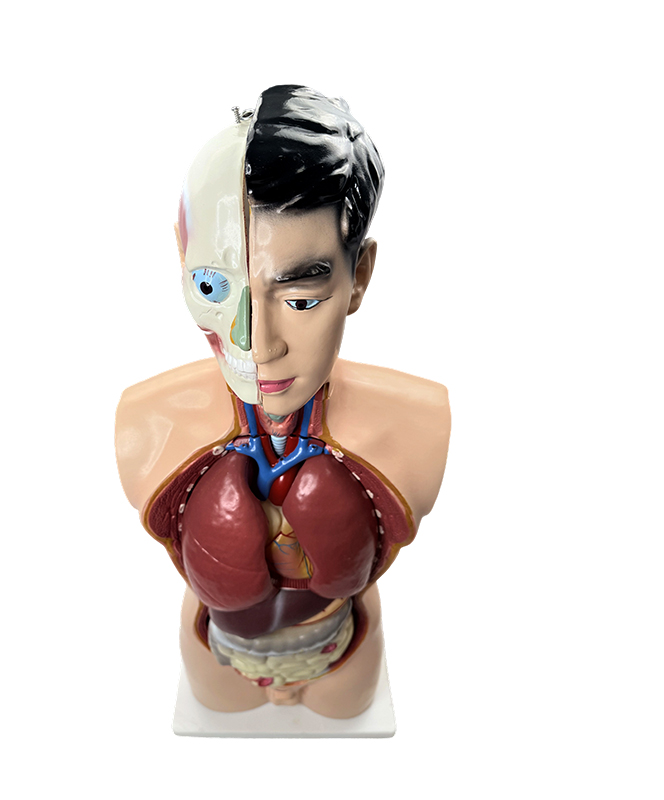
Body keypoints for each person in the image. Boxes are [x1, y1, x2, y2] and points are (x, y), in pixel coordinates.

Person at [116, 85, 450, 718]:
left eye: (299, 298)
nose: (256, 344)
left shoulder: (420, 422)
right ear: (181, 261)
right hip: (217, 654)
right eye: (212, 287)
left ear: (360, 277)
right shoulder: (145, 422)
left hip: (342, 649)